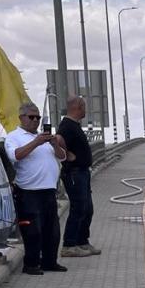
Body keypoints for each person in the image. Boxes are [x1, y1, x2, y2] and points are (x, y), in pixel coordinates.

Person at [4, 102, 67, 276]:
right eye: (31, 117)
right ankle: (31, 264)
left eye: (38, 117)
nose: (35, 121)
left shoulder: (43, 137)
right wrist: (36, 143)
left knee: (52, 230)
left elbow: (62, 157)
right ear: (21, 118)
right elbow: (15, 155)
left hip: (48, 190)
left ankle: (49, 262)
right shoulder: (14, 136)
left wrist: (53, 143)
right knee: (33, 231)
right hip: (28, 191)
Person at [57, 95, 100, 258]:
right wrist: (68, 155)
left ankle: (82, 241)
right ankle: (69, 244)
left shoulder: (74, 125)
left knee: (87, 208)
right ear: (78, 107)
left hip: (82, 172)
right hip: (74, 173)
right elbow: (58, 139)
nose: (85, 110)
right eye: (84, 106)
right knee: (78, 207)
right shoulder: (67, 125)